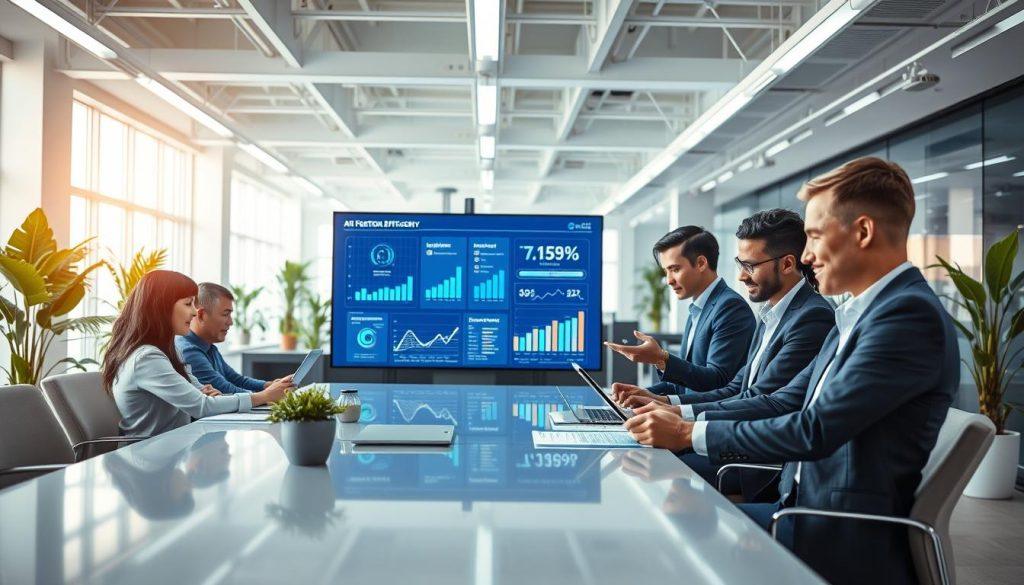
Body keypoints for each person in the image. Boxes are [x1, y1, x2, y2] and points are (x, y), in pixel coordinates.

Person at [623, 157, 958, 585]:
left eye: (815, 236)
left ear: (862, 232)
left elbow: (814, 430)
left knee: (676, 548)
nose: (806, 256)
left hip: (837, 536)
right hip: (799, 508)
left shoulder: (906, 315)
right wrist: (679, 414)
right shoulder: (858, 314)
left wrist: (689, 433)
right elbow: (787, 399)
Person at [614, 210, 835, 499]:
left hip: (753, 463)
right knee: (639, 453)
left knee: (646, 462)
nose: (741, 275)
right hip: (735, 442)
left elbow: (768, 402)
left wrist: (681, 419)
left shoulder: (812, 316)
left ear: (788, 264)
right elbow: (737, 389)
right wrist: (668, 405)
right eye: (739, 264)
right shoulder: (770, 314)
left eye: (750, 265)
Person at [102, 270, 289, 437]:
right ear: (162, 307)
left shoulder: (169, 349)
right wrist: (264, 396)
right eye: (188, 304)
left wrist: (206, 396)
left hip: (172, 448)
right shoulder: (146, 358)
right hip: (149, 455)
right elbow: (202, 406)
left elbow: (203, 395)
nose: (194, 312)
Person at [605, 226, 755, 401]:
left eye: (675, 269)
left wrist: (662, 359)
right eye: (666, 271)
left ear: (701, 263)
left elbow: (717, 381)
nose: (668, 280)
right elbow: (685, 384)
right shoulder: (698, 309)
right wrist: (642, 393)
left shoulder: (730, 307)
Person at [176, 282, 294, 395]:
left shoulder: (210, 348)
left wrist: (269, 385)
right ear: (201, 315)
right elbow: (226, 390)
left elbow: (237, 380)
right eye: (225, 314)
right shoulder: (189, 351)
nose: (231, 322)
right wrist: (268, 394)